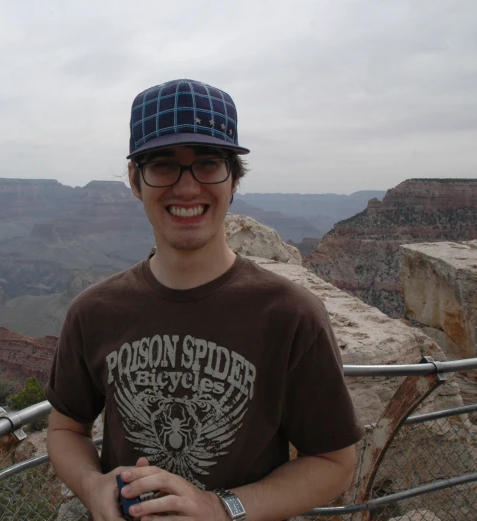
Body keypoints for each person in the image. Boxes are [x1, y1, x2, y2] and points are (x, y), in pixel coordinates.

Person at [45, 79, 363, 521]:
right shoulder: (94, 311)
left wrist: (220, 507)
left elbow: (333, 464)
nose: (187, 188)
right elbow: (65, 429)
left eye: (208, 164)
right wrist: (92, 485)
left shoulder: (291, 315)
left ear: (234, 180)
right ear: (136, 181)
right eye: (163, 165)